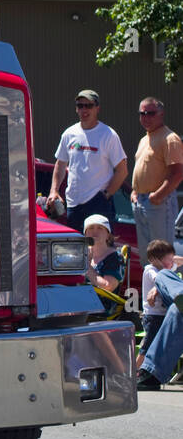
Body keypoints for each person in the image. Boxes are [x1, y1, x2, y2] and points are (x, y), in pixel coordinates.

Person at [46, 90, 128, 235]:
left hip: (98, 203)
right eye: (80, 105)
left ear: (97, 108)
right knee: (77, 251)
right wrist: (54, 190)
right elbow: (60, 164)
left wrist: (106, 195)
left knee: (99, 248)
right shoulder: (69, 134)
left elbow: (122, 171)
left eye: (88, 106)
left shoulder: (108, 134)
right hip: (73, 203)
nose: (84, 110)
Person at [131, 96, 182, 269]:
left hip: (158, 202)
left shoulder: (170, 138)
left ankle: (167, 294)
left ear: (161, 114)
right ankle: (150, 293)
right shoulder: (144, 139)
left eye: (150, 113)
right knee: (148, 256)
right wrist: (134, 192)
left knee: (162, 254)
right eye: (142, 113)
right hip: (141, 201)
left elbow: (177, 173)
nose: (146, 117)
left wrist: (158, 196)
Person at [137, 239, 177, 370]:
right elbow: (159, 279)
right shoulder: (150, 270)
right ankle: (134, 371)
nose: (172, 263)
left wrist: (172, 262)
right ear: (155, 260)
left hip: (162, 314)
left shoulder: (164, 268)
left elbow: (177, 262)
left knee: (158, 345)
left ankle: (148, 371)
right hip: (153, 316)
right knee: (147, 345)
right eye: (168, 260)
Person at [83, 214, 124, 316]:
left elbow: (108, 286)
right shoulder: (81, 254)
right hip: (81, 303)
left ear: (108, 234)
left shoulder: (115, 257)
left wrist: (86, 266)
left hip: (103, 308)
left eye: (100, 228)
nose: (94, 231)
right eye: (91, 228)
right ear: (85, 234)